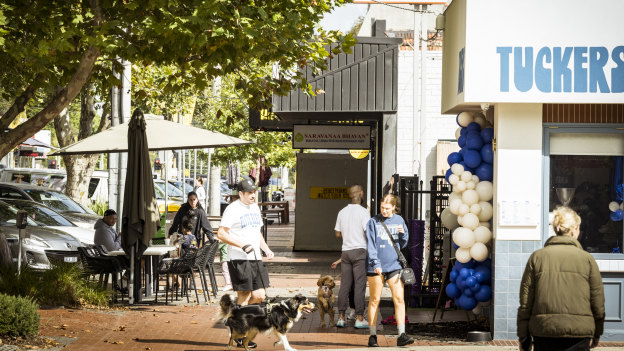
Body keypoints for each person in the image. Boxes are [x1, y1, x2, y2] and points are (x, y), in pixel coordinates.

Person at [517, 206, 605, 351]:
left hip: (544, 330)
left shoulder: (537, 257)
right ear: (573, 230)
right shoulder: (587, 259)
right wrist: (597, 332)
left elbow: (526, 301)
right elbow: (597, 301)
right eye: (578, 228)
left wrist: (523, 336)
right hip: (579, 332)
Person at [217, 176, 274, 349]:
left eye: (254, 192)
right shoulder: (232, 209)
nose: (252, 195)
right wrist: (242, 245)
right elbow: (221, 234)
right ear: (240, 193)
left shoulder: (255, 208)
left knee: (259, 296)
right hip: (239, 258)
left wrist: (265, 248)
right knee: (244, 294)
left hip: (255, 257)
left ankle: (237, 321)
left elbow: (257, 232)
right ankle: (240, 333)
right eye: (249, 192)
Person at [366, 194, 413, 347]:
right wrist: (375, 262)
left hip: (394, 265)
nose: (384, 211)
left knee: (399, 299)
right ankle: (372, 336)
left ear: (394, 207)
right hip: (376, 267)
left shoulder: (399, 220)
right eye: (382, 208)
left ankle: (402, 335)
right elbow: (371, 245)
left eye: (387, 208)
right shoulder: (373, 222)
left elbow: (404, 243)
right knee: (374, 300)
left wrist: (402, 233)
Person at [334, 184, 370, 329]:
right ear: (361, 193)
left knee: (345, 285)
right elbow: (367, 232)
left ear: (350, 195)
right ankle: (359, 318)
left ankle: (341, 317)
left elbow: (337, 233)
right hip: (359, 251)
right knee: (359, 286)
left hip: (346, 252)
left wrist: (348, 234)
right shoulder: (364, 212)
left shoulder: (342, 212)